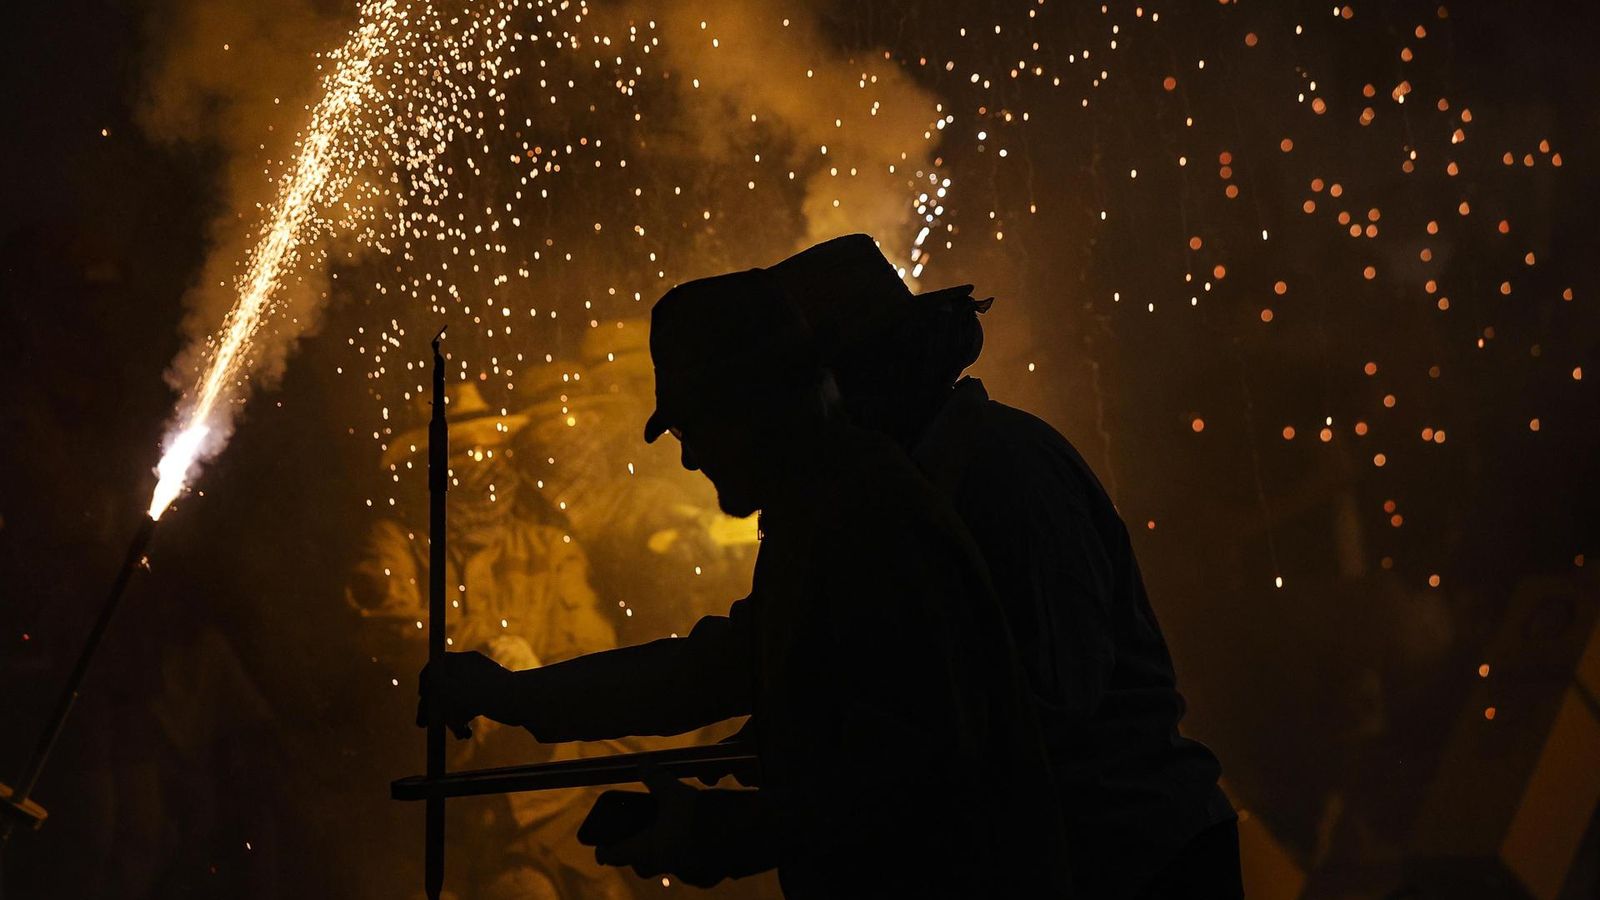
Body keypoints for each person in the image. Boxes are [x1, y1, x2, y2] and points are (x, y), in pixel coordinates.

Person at [419, 268, 1072, 896]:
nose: (687, 455)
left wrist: (729, 830)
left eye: (691, 423)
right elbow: (710, 670)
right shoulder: (828, 511)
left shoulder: (870, 521)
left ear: (753, 404)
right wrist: (511, 694)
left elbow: (926, 791)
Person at [768, 235, 1241, 898]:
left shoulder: (1004, 475)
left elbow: (1038, 711)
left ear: (857, 380)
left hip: (1131, 862)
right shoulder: (914, 490)